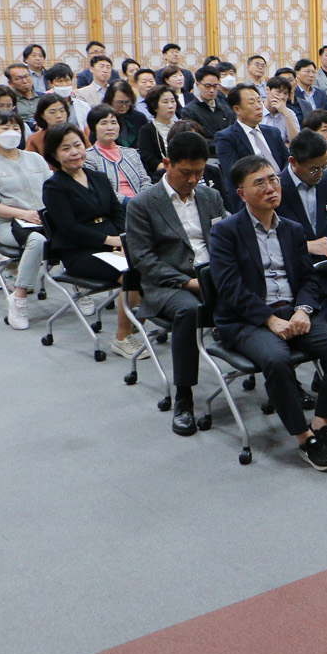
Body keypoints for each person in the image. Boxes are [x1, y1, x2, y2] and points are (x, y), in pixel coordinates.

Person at [208, 155, 327, 471]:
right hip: (246, 319)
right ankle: (304, 439)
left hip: (292, 312)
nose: (270, 187)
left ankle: (320, 424)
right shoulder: (226, 231)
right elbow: (229, 288)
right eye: (259, 182)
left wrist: (303, 311)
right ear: (241, 193)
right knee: (277, 360)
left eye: (273, 179)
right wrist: (269, 319)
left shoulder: (291, 228)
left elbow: (308, 279)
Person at [124, 130, 226, 435]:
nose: (194, 179)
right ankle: (184, 396)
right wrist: (188, 283)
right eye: (186, 172)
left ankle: (286, 378)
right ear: (167, 163)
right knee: (190, 311)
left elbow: (226, 239)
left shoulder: (211, 196)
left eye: (199, 172)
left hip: (213, 275)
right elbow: (144, 260)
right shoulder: (143, 204)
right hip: (168, 285)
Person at [39, 122, 141, 358]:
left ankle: (137, 325)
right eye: (66, 148)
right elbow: (69, 228)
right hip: (79, 251)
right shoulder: (54, 186)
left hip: (113, 244)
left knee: (148, 264)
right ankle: (122, 337)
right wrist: (110, 241)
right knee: (131, 273)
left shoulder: (98, 176)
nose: (74, 152)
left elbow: (117, 212)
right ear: (54, 154)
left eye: (77, 145)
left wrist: (123, 242)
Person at [0, 111, 50, 329]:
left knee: (74, 230)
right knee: (37, 241)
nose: (11, 133)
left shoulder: (35, 158)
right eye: (4, 128)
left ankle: (79, 286)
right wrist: (21, 213)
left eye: (16, 128)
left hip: (43, 219)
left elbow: (53, 189)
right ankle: (19, 297)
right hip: (9, 224)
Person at [214, 85, 290, 211]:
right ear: (237, 109)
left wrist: (280, 181)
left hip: (281, 189)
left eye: (259, 101)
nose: (259, 106)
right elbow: (233, 173)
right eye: (251, 102)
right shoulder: (226, 137)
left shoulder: (272, 132)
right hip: (253, 196)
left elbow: (287, 159)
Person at [276, 129, 327, 262]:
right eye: (314, 169)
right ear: (293, 161)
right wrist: (305, 246)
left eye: (323, 167)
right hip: (295, 264)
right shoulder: (275, 190)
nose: (320, 174)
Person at [83, 104, 152, 200]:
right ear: (93, 128)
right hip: (113, 209)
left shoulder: (131, 153)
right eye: (104, 123)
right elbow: (101, 190)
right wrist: (130, 203)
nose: (110, 127)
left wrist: (141, 202)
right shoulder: (88, 157)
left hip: (141, 205)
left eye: (113, 122)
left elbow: (145, 181)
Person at [137, 85, 180, 181]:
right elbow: (148, 158)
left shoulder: (181, 126)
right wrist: (169, 169)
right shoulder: (147, 130)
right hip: (160, 176)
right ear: (155, 107)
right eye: (165, 102)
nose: (171, 106)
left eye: (173, 101)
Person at [184, 65, 237, 137]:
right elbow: (194, 139)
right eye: (207, 86)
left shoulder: (226, 110)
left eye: (215, 86)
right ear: (197, 85)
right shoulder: (189, 111)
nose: (212, 90)